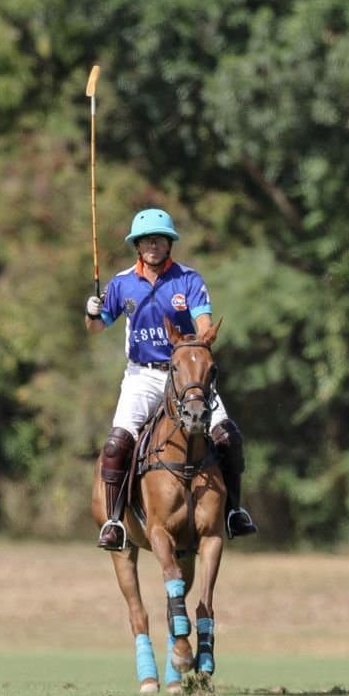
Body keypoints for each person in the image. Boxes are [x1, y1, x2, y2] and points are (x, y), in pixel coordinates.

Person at [85, 207, 256, 551]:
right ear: (137, 245)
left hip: (187, 375)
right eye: (147, 240)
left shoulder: (188, 279)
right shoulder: (121, 283)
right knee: (116, 444)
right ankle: (115, 521)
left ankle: (234, 512)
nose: (153, 245)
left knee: (228, 436)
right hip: (143, 376)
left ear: (169, 244)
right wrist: (91, 312)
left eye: (160, 240)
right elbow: (97, 327)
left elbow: (204, 323)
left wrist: (200, 343)